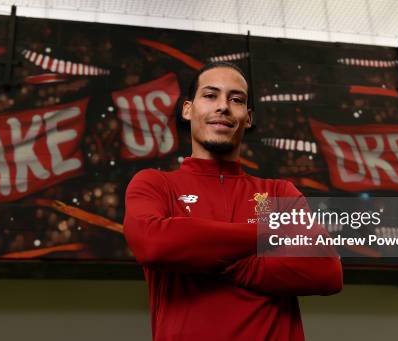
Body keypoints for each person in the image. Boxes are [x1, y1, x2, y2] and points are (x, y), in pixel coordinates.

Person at [124, 61, 342, 341]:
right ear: (188, 109)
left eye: (236, 99)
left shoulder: (277, 193)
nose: (223, 106)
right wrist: (271, 234)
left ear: (247, 117)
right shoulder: (155, 183)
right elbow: (154, 244)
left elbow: (325, 270)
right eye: (210, 95)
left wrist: (204, 256)